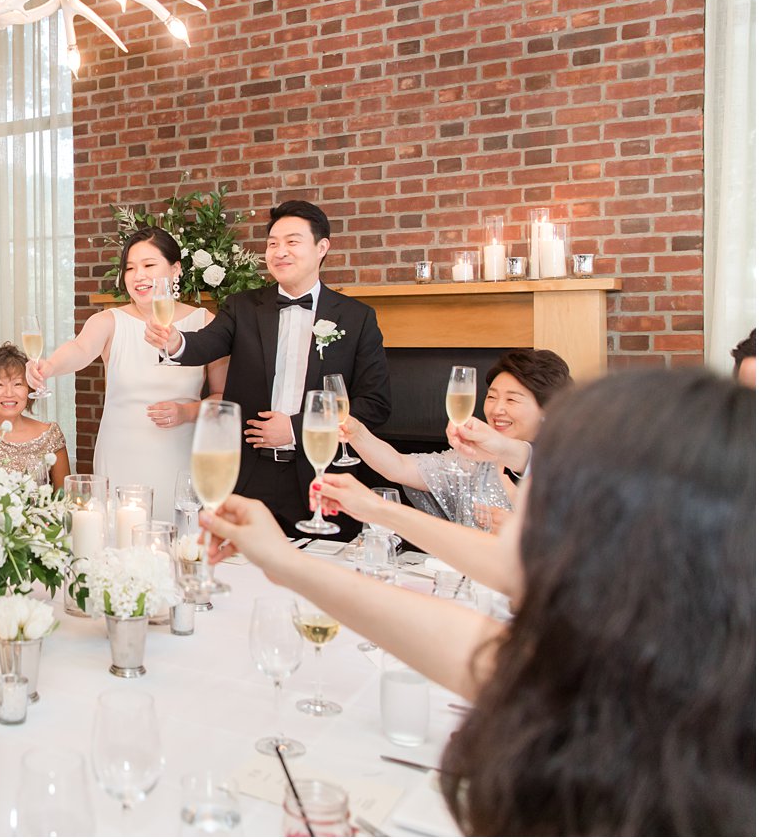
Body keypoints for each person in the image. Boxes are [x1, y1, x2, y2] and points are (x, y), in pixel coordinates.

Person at [199, 368, 755, 835]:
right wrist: (289, 560)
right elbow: (466, 642)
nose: (526, 481)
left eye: (548, 473)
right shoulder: (631, 668)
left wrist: (291, 562)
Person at [146, 200, 391, 538]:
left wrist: (295, 428)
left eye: (292, 242)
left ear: (322, 248)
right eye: (273, 243)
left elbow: (374, 404)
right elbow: (205, 343)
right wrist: (174, 342)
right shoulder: (242, 306)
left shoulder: (357, 318)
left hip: (322, 477)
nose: (279, 252)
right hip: (249, 475)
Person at [28, 226, 227, 521]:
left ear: (175, 270)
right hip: (119, 455)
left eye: (149, 265)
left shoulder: (205, 322)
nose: (138, 276)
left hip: (179, 457)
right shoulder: (109, 321)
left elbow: (225, 398)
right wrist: (49, 366)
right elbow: (80, 349)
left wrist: (187, 412)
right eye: (130, 268)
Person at [330, 349, 571, 530]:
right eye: (492, 397)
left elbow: (526, 457)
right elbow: (399, 467)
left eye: (512, 400)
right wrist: (357, 433)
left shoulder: (570, 465)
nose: (497, 409)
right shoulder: (473, 459)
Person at [0, 343, 70, 488]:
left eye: (18, 384)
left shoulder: (50, 435)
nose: (9, 393)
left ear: (29, 388)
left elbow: (65, 500)